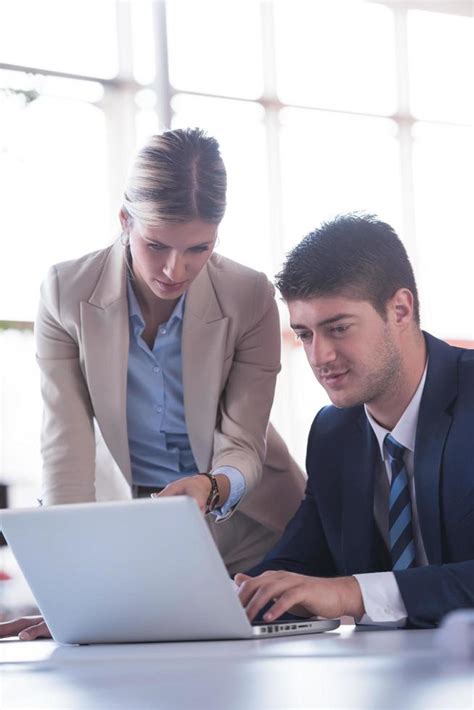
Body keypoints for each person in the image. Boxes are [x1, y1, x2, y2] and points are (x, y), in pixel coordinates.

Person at [0, 128, 305, 640]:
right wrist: (72, 591)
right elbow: (66, 450)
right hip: (137, 531)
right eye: (156, 244)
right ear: (125, 221)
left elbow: (243, 443)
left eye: (198, 248)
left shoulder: (249, 296)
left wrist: (210, 488)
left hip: (249, 526)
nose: (174, 268)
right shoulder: (65, 292)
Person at [236, 213, 474, 629]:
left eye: (338, 328)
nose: (318, 356)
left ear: (400, 309)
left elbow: (340, 591)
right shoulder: (334, 433)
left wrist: (352, 593)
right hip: (386, 676)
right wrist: (214, 600)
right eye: (305, 334)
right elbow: (295, 565)